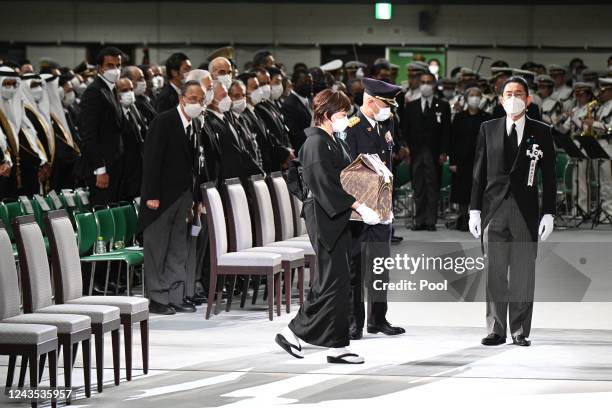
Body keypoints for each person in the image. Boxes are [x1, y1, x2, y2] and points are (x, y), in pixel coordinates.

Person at [275, 89, 381, 364]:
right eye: (342, 114)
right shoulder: (315, 144)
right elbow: (325, 184)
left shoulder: (332, 140)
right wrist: (358, 206)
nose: (346, 118)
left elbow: (343, 176)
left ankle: (332, 343)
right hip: (325, 218)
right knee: (331, 283)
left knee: (333, 282)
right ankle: (301, 334)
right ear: (326, 115)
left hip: (336, 217)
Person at [469, 76, 556, 347]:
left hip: (524, 211)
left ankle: (519, 329)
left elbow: (550, 176)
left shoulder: (541, 131)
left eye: (519, 93)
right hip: (493, 210)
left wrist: (549, 213)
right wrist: (473, 210)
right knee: (494, 271)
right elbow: (478, 173)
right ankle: (496, 329)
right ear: (500, 99)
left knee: (522, 273)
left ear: (528, 99)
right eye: (508, 93)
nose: (513, 97)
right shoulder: (488, 128)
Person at [138, 80, 206, 315]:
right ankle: (157, 297)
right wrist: (151, 195)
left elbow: (196, 165)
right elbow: (152, 159)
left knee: (178, 248)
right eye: (193, 99)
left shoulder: (195, 125)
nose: (197, 104)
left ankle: (175, 295)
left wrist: (197, 198)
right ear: (182, 99)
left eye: (201, 100)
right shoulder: (164, 121)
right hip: (161, 197)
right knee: (158, 248)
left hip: (185, 196)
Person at [345, 78, 405, 340]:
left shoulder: (388, 123)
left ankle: (378, 319)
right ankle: (353, 323)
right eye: (385, 104)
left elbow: (390, 162)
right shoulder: (351, 128)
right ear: (370, 102)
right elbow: (347, 174)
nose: (389, 109)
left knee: (380, 266)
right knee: (356, 268)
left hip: (382, 206)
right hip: (360, 210)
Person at [402, 71, 451, 231]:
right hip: (415, 152)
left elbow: (446, 131)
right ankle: (419, 220)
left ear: (434, 85)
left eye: (429, 82)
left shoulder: (443, 105)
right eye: (423, 82)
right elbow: (405, 130)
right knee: (418, 186)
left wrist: (444, 151)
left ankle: (431, 221)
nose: (425, 85)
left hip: (434, 152)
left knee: (432, 186)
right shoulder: (410, 106)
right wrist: (406, 149)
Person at [77, 46, 125, 206]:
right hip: (101, 169)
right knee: (102, 213)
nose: (115, 69)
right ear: (99, 68)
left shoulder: (111, 89)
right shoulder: (94, 92)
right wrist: (100, 168)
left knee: (112, 211)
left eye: (118, 65)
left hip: (114, 165)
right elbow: (88, 134)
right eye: (110, 66)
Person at [449, 87, 492, 231]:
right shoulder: (459, 117)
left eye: (478, 95)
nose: (475, 98)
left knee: (479, 189)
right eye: (472, 95)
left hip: (481, 159)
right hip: (462, 160)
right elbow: (453, 140)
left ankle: (478, 218)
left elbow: (491, 140)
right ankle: (463, 218)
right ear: (467, 98)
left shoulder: (486, 117)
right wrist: (452, 161)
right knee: (462, 191)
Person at [206, 81, 261, 184]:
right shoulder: (209, 122)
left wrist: (258, 172)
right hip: (227, 183)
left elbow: (241, 149)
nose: (228, 99)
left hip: (242, 180)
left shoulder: (227, 116)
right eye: (224, 95)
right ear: (212, 99)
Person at [19, 73, 53, 194]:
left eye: (39, 85)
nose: (38, 89)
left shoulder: (38, 110)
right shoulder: (25, 112)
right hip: (29, 169)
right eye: (33, 85)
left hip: (42, 166)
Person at [116, 77, 146, 200]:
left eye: (131, 89)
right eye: (124, 90)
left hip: (138, 171)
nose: (129, 93)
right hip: (124, 175)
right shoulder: (116, 114)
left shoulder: (133, 109)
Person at [589, 78, 612, 221]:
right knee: (601, 181)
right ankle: (603, 210)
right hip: (600, 145)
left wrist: (594, 124)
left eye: (603, 91)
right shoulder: (602, 107)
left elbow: (609, 128)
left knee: (608, 182)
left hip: (609, 146)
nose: (600, 94)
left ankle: (609, 211)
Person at [281, 69, 313, 153]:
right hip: (301, 150)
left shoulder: (310, 100)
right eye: (304, 82)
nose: (308, 85)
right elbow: (294, 134)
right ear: (294, 84)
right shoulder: (289, 104)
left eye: (310, 82)